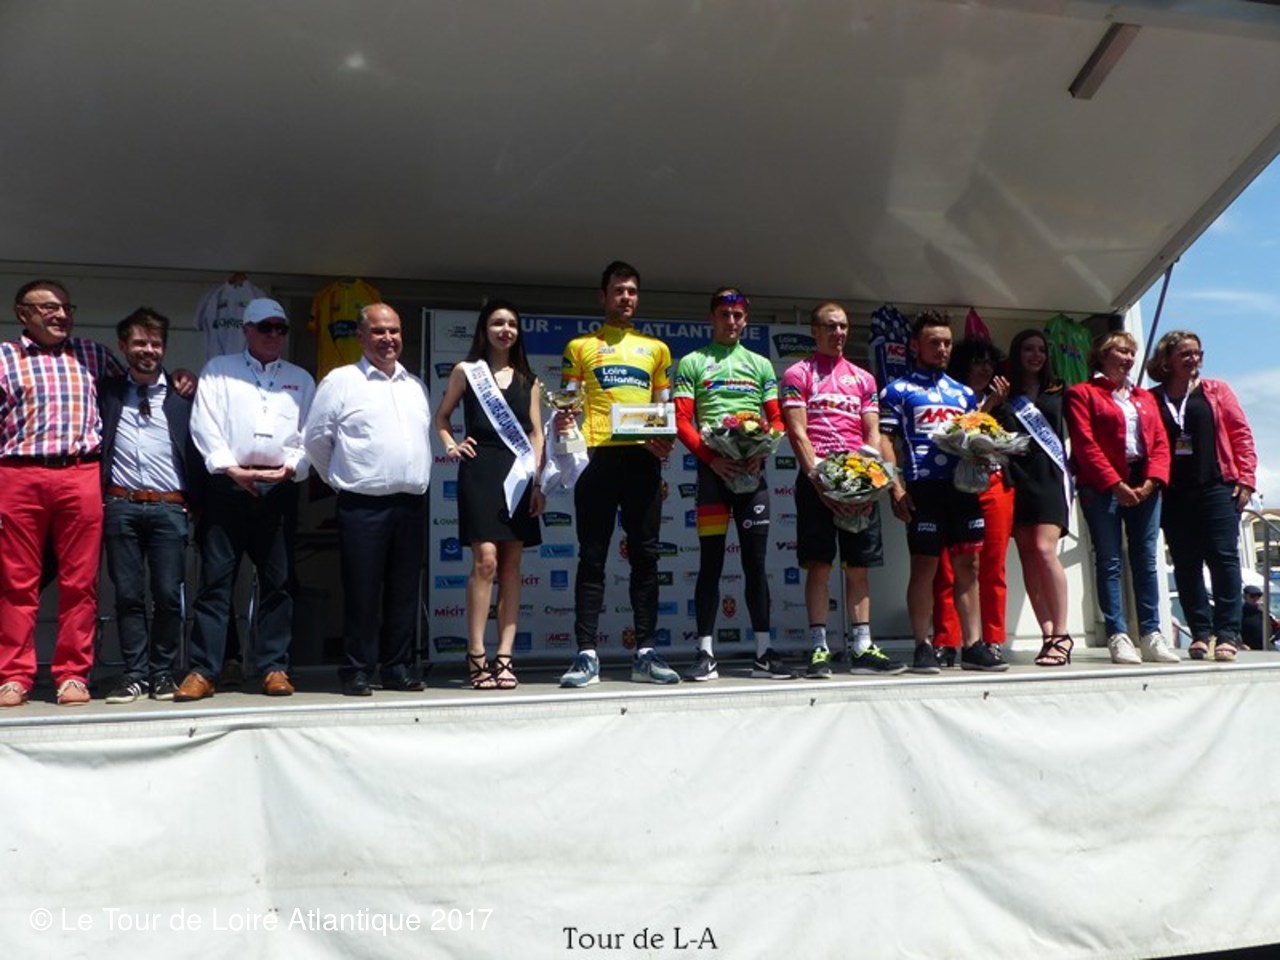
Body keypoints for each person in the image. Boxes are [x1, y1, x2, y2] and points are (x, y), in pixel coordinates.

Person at [180, 298, 315, 700]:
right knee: (215, 582)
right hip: (228, 486)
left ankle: (274, 667)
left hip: (279, 488)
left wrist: (292, 467)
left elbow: (311, 433)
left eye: (280, 328)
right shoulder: (219, 370)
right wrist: (229, 468)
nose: (274, 335)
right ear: (247, 330)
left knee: (278, 582)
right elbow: (204, 425)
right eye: (265, 327)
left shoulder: (300, 378)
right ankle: (204, 669)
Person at [0, 280, 125, 707]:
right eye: (49, 308)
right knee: (17, 582)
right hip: (18, 475)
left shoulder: (93, 354)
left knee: (80, 582)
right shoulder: (4, 358)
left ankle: (72, 673)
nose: (60, 315)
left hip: (80, 472)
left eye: (67, 308)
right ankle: (13, 675)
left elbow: (136, 388)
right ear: (23, 313)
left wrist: (179, 379)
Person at [557, 261, 678, 688]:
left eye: (632, 291)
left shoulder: (656, 349)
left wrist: (666, 436)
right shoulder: (580, 346)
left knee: (646, 556)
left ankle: (645, 652)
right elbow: (568, 400)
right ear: (603, 296)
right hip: (596, 459)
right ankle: (586, 654)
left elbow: (664, 407)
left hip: (643, 460)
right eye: (618, 290)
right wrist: (564, 421)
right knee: (592, 556)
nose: (626, 297)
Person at [305, 303, 433, 696]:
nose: (388, 338)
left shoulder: (415, 385)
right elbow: (316, 441)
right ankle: (357, 669)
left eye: (394, 330)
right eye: (378, 331)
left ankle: (397, 667)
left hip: (410, 503)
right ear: (361, 337)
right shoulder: (341, 381)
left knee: (403, 591)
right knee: (362, 591)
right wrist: (342, 481)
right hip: (362, 504)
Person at [781, 301, 905, 678]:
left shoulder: (863, 378)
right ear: (815, 331)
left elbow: (872, 433)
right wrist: (820, 481)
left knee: (859, 566)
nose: (839, 333)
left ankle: (862, 646)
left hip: (857, 478)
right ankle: (819, 647)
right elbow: (797, 432)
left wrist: (866, 483)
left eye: (844, 327)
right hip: (818, 479)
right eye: (831, 326)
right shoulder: (798, 373)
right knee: (819, 565)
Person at [880, 311, 1006, 673]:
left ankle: (973, 646)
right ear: (915, 345)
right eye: (934, 342)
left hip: (961, 488)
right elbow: (885, 440)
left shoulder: (963, 393)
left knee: (970, 565)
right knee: (925, 566)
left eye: (947, 343)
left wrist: (987, 427)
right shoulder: (897, 390)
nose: (942, 349)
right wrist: (895, 487)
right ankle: (922, 645)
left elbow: (973, 433)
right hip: (924, 488)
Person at [674, 287, 790, 681]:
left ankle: (763, 653)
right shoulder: (693, 362)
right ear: (712, 318)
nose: (732, 321)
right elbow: (682, 421)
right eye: (724, 314)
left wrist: (762, 451)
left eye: (738, 315)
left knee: (755, 564)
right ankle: (705, 654)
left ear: (746, 319)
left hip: (752, 475)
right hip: (713, 476)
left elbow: (777, 419)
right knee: (711, 563)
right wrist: (712, 459)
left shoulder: (760, 364)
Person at [432, 300, 545, 689]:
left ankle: (505, 657)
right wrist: (451, 445)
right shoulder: (467, 372)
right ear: (484, 329)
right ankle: (477, 653)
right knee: (486, 561)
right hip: (479, 471)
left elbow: (536, 434)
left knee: (511, 567)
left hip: (519, 474)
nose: (505, 330)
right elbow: (442, 416)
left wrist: (538, 482)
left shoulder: (530, 381)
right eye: (498, 323)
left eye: (512, 324)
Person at [99, 308, 207, 703]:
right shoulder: (107, 392)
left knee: (167, 594)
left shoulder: (183, 395)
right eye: (140, 342)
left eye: (156, 343)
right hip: (121, 504)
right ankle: (134, 674)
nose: (149, 350)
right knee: (127, 595)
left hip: (169, 507)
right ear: (123, 345)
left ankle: (162, 672)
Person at [1065, 331, 1176, 664]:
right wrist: (1114, 483)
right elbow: (1084, 444)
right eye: (1121, 351)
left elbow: (1160, 443)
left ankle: (1151, 633)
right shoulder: (1082, 394)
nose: (1128, 358)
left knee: (1145, 559)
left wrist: (1152, 481)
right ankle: (1117, 634)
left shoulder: (1144, 398)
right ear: (1102, 355)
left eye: (1131, 352)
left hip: (1144, 481)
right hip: (1102, 485)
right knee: (1110, 559)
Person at [1146, 330, 1256, 662]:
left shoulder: (1216, 390)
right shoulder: (1152, 398)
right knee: (1185, 562)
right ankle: (1200, 633)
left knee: (1223, 558)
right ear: (1167, 360)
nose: (1193, 359)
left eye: (1197, 353)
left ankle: (1228, 633)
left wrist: (1246, 479)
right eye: (1185, 353)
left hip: (1217, 485)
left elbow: (1240, 433)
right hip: (1175, 492)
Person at [930, 338, 1014, 667]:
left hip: (994, 486)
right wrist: (988, 405)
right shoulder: (949, 397)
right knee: (947, 567)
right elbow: (956, 434)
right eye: (977, 362)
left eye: (989, 363)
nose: (985, 369)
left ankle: (991, 640)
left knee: (993, 565)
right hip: (953, 487)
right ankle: (946, 640)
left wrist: (995, 405)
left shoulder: (1006, 405)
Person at [1000, 329, 1073, 666]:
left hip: (1049, 477)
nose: (1036, 355)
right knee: (1028, 556)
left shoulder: (1059, 390)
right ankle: (1048, 635)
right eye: (1028, 349)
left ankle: (1062, 633)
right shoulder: (1005, 393)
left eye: (1041, 350)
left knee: (1045, 550)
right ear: (1017, 354)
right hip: (1017, 479)